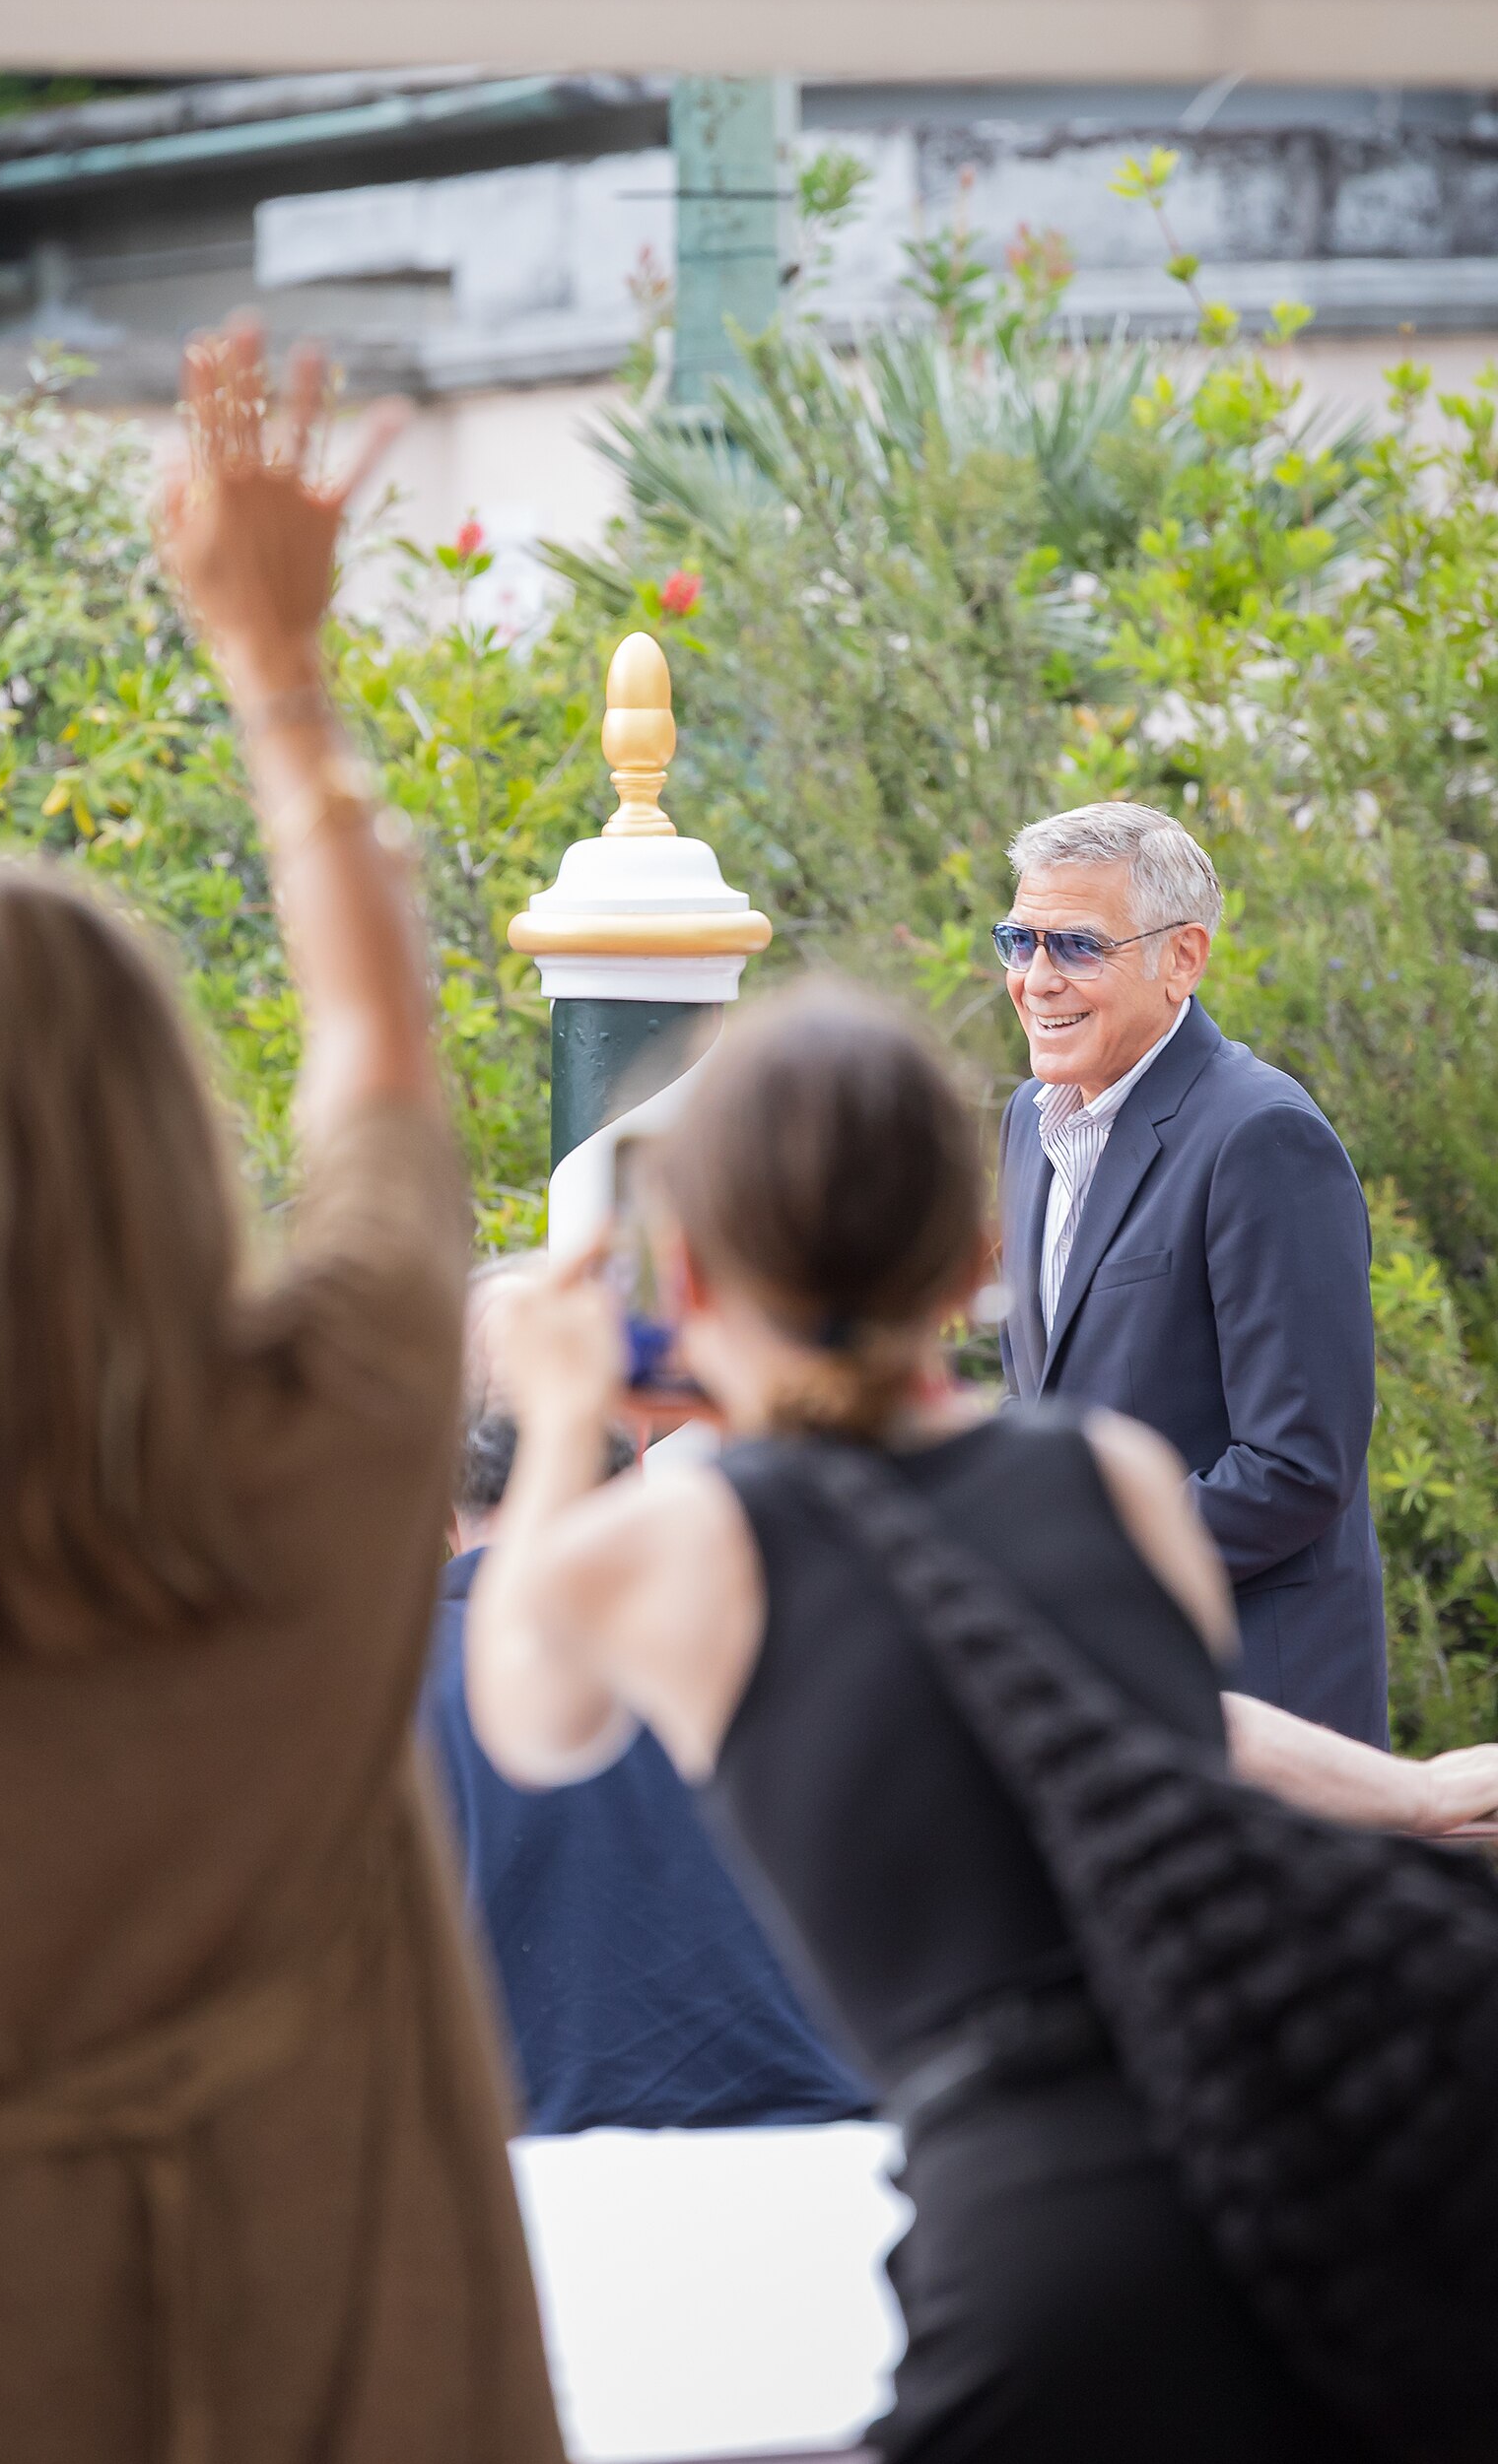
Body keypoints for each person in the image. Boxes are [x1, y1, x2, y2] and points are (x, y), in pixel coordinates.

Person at [0, 324, 566, 2464]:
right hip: (324, 2298)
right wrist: (275, 667)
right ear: (168, 1118)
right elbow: (381, 1055)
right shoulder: (331, 1418)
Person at [463, 979, 1498, 2462]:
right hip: (1285, 2162)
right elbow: (1164, 1727)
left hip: (1037, 2233)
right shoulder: (1121, 1473)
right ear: (978, 1259)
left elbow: (531, 1710)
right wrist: (1406, 1793)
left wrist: (567, 1415)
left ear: (683, 1273)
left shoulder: (693, 1538)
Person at [993, 801, 1389, 1743]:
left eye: (1077, 947)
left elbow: (1296, 1466)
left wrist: (1076, 1557)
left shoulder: (1261, 1136)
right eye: (1019, 941)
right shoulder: (1027, 1119)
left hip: (1257, 1707)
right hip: (1094, 1696)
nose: (1035, 980)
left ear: (1184, 958)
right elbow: (1045, 1397)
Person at [422, 1408, 874, 2134]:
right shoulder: (783, 1629)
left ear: (447, 1514)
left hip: (518, 2157)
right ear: (634, 1479)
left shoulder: (381, 1691)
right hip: (814, 2142)